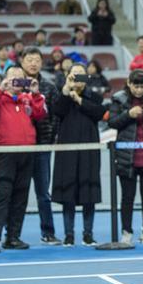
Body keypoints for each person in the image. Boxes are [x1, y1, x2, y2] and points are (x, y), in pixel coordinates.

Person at [0, 66, 47, 253]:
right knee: (2, 195)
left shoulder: (28, 98)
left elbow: (41, 114)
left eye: (22, 78)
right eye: (14, 77)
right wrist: (1, 89)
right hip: (5, 152)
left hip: (27, 152)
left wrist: (35, 93)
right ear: (6, 79)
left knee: (21, 197)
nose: (18, 81)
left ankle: (13, 237)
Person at [108, 69, 143, 246]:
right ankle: (126, 232)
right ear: (129, 84)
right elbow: (112, 122)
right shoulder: (119, 99)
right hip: (127, 157)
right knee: (127, 197)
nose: (139, 90)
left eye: (142, 86)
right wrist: (128, 114)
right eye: (135, 86)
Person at [52, 63, 106, 246]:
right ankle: (69, 235)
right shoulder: (63, 97)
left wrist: (79, 100)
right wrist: (67, 91)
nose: (78, 80)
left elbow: (99, 113)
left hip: (89, 151)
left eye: (82, 76)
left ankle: (88, 234)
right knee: (68, 193)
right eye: (74, 76)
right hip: (67, 151)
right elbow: (57, 111)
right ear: (68, 77)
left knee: (88, 192)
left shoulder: (95, 97)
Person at [22, 48, 62, 245]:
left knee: (43, 193)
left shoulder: (49, 87)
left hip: (42, 147)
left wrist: (50, 136)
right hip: (18, 147)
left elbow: (56, 115)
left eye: (37, 60)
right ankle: (11, 235)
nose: (33, 63)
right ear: (22, 63)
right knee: (16, 192)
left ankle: (48, 233)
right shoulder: (15, 85)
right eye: (29, 60)